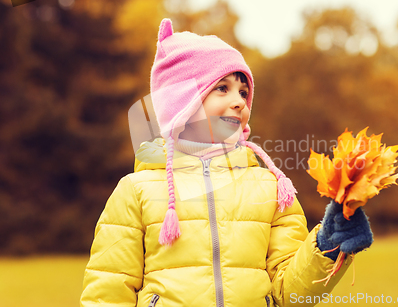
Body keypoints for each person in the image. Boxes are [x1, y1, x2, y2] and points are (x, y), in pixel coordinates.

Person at [80, 19, 373, 307]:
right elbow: (107, 293)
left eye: (243, 92)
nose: (240, 102)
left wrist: (327, 247)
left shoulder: (270, 188)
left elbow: (289, 295)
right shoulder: (136, 191)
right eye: (223, 88)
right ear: (183, 100)